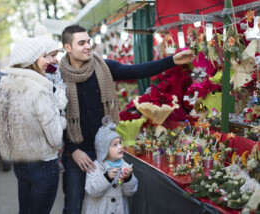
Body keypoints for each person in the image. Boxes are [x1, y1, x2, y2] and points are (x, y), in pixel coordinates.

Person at [59, 24, 194, 214]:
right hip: (76, 154)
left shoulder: (103, 67)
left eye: (88, 41)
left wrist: (172, 60)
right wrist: (73, 150)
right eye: (81, 43)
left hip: (103, 152)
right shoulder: (57, 77)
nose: (88, 46)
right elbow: (57, 118)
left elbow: (139, 70)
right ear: (68, 48)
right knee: (72, 206)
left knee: (103, 203)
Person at [0, 37, 65, 214]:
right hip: (43, 165)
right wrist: (62, 120)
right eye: (43, 56)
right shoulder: (39, 90)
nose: (47, 61)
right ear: (31, 60)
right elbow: (55, 139)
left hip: (20, 164)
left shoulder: (4, 86)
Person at [83, 117, 138, 214]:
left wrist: (128, 178)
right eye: (115, 145)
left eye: (120, 143)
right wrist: (106, 178)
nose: (120, 147)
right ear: (103, 150)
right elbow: (92, 191)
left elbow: (130, 192)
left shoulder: (124, 165)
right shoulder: (95, 167)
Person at [34, 23, 68, 172]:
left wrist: (60, 89)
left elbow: (60, 82)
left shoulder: (54, 70)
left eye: (56, 55)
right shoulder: (37, 75)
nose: (56, 59)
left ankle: (57, 158)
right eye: (52, 55)